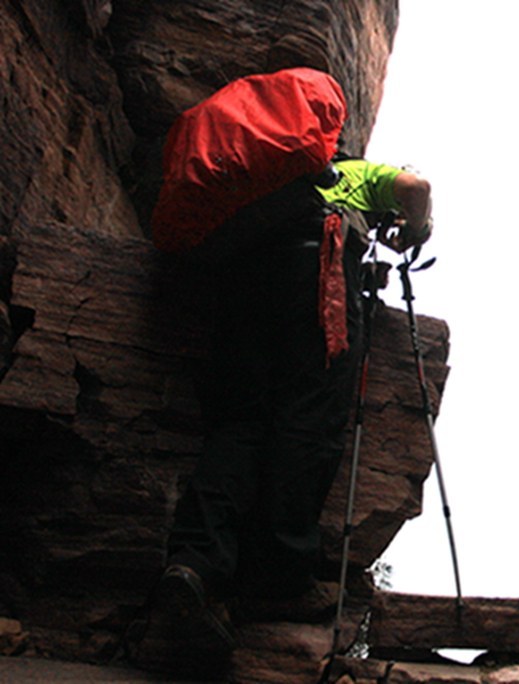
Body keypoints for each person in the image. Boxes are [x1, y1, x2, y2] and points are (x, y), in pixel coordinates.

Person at [150, 151, 432, 654]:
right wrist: (417, 229)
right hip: (317, 265)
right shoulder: (357, 174)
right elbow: (416, 187)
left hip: (245, 272)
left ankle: (194, 563)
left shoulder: (270, 183)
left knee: (238, 421)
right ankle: (275, 581)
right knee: (310, 420)